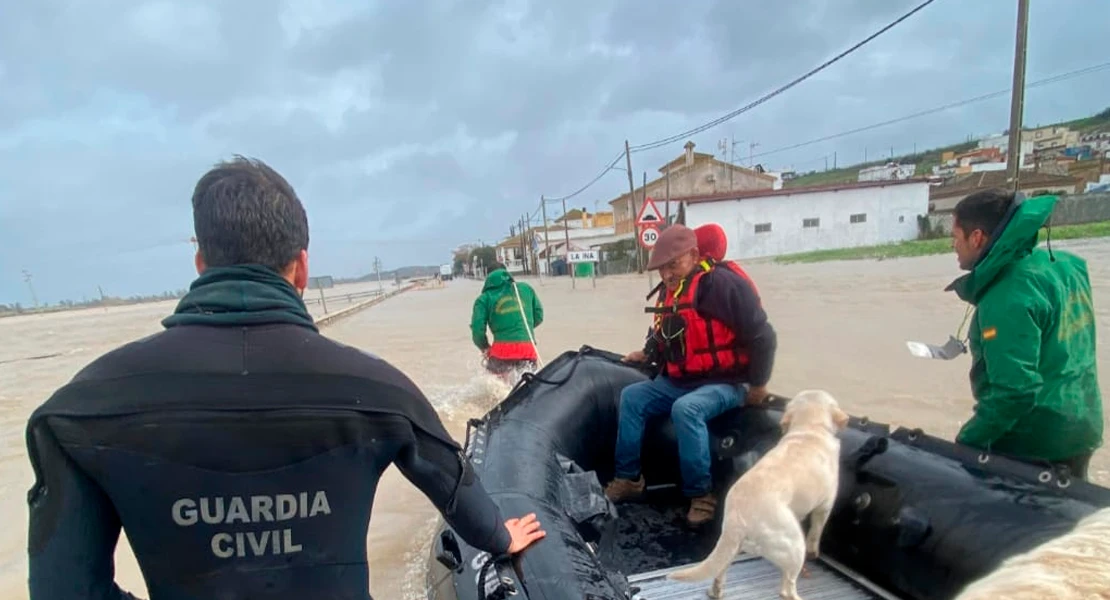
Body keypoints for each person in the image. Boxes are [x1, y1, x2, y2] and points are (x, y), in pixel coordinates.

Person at [24, 157, 545, 600]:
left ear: (201, 263)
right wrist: (500, 538)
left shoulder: (80, 409)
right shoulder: (379, 391)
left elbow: (63, 589)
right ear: (301, 267)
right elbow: (452, 480)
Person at [605, 224, 777, 527]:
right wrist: (645, 354)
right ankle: (628, 478)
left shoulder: (722, 285)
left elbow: (764, 336)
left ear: (694, 255)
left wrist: (759, 385)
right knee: (632, 397)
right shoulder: (671, 292)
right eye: (661, 269)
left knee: (687, 409)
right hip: (682, 380)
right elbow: (664, 334)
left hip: (727, 381)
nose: (667, 274)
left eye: (673, 264)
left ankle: (701, 495)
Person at [945, 189, 1102, 480]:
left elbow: (1015, 393)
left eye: (955, 237)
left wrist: (967, 442)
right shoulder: (1066, 265)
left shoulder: (1007, 297)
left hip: (1035, 442)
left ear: (977, 237)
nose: (953, 246)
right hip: (1083, 424)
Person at [470, 264, 544, 379]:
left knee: (496, 387)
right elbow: (539, 316)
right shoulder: (526, 289)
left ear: (487, 278)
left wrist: (485, 348)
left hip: (501, 352)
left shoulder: (483, 299)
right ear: (507, 273)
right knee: (529, 385)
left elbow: (477, 331)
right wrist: (521, 329)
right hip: (528, 349)